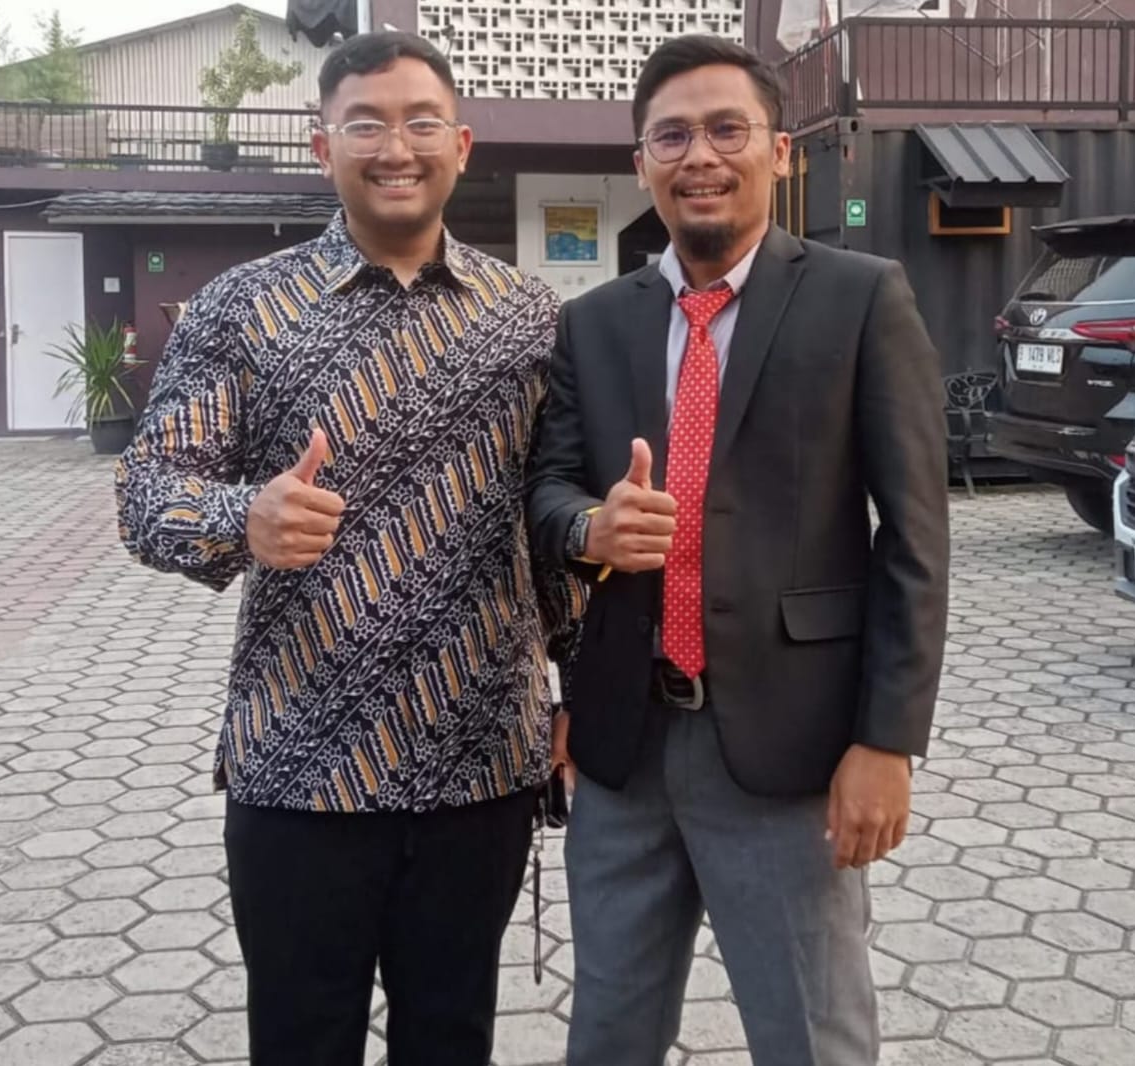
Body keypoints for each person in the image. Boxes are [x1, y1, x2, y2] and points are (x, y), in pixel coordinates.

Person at [115, 30, 578, 1066]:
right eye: (365, 125)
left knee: (451, 1039)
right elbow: (145, 492)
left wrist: (578, 693)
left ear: (462, 144)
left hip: (479, 763)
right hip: (299, 765)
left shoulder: (528, 319)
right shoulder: (243, 308)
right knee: (300, 1042)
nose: (395, 148)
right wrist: (244, 517)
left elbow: (549, 522)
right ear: (321, 145)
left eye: (421, 123)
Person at [526, 35, 950, 1066]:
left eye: (727, 129)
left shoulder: (860, 297)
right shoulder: (593, 324)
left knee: (812, 1039)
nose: (701, 156)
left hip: (790, 751)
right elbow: (546, 490)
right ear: (641, 163)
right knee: (607, 1034)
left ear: (780, 151)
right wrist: (589, 529)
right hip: (623, 750)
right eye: (671, 136)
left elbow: (914, 537)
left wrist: (887, 741)